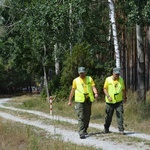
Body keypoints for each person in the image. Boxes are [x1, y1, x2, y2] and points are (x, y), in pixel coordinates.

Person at [68, 67, 98, 139]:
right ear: (79, 73)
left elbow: (93, 87)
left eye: (83, 73)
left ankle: (84, 130)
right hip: (79, 100)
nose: (82, 74)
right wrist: (70, 100)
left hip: (88, 99)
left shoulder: (89, 79)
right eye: (80, 73)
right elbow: (72, 91)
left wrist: (96, 93)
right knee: (81, 116)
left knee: (87, 116)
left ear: (85, 72)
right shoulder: (75, 80)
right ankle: (81, 133)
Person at [103, 68, 127, 135]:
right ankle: (106, 128)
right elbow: (104, 89)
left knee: (120, 116)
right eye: (116, 74)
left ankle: (121, 130)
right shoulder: (108, 79)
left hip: (119, 101)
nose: (117, 75)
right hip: (110, 102)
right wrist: (108, 96)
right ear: (113, 73)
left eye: (118, 74)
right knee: (108, 117)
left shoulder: (121, 80)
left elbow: (123, 89)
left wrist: (125, 97)